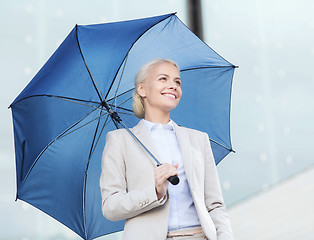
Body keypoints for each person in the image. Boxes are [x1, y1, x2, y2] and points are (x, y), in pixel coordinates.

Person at [100, 59, 233, 240]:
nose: (173, 86)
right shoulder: (120, 140)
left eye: (177, 82)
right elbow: (110, 206)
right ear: (142, 89)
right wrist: (154, 191)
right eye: (163, 79)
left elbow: (215, 204)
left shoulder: (198, 139)